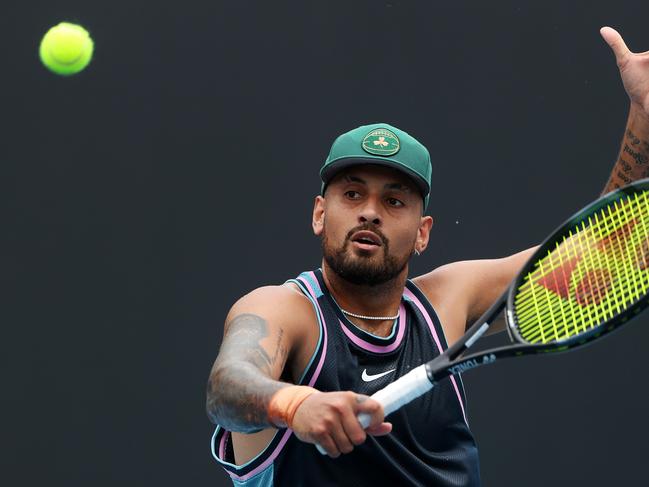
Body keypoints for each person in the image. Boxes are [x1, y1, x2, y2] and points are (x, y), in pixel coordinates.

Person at [206, 27, 649, 486]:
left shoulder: (446, 301)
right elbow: (228, 386)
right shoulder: (284, 311)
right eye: (352, 194)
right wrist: (295, 405)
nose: (371, 213)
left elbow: (604, 252)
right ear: (320, 214)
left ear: (423, 233)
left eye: (394, 202)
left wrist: (642, 114)